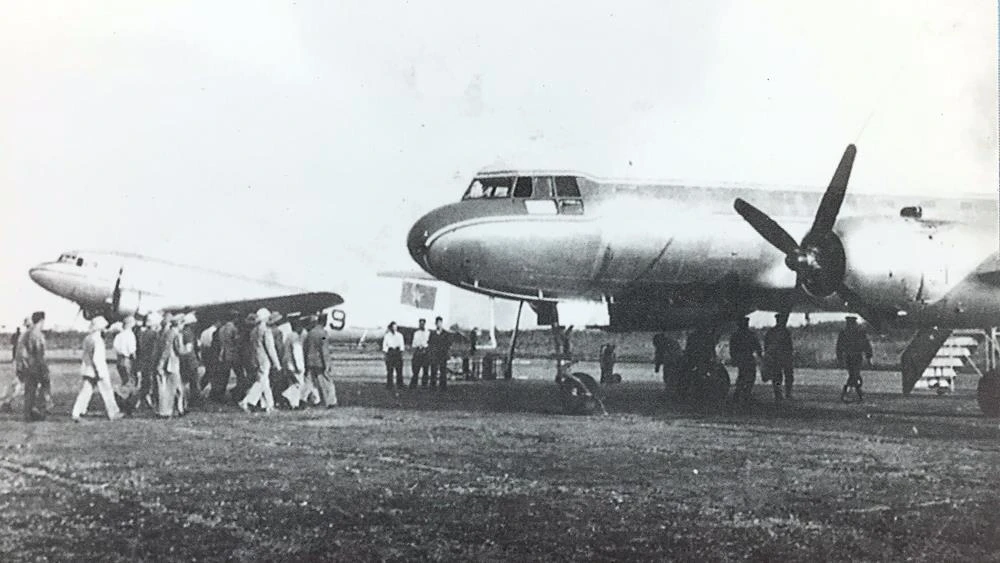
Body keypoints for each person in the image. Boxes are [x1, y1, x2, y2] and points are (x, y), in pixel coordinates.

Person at [71, 317, 123, 421]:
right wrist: (100, 372)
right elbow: (97, 358)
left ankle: (76, 412)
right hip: (98, 370)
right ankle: (113, 413)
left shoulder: (88, 338)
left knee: (85, 392)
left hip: (87, 369)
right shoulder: (98, 340)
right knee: (107, 391)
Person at [239, 308, 280, 413]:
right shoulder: (266, 330)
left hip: (255, 358)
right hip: (264, 359)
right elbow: (270, 348)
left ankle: (268, 405)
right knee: (261, 382)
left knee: (264, 382)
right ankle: (246, 401)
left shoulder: (254, 331)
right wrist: (277, 363)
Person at [155, 314, 186, 417]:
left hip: (169, 363)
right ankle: (166, 411)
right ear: (179, 324)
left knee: (176, 387)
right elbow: (174, 350)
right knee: (171, 388)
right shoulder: (176, 334)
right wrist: (187, 349)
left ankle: (179, 408)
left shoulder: (167, 333)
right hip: (172, 363)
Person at [303, 314, 337, 407]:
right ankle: (330, 402)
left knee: (308, 382)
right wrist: (327, 364)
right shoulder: (323, 334)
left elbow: (306, 347)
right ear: (324, 322)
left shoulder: (310, 333)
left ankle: (302, 398)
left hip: (310, 361)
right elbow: (324, 350)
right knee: (326, 382)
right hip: (319, 362)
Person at [21, 311, 49, 421]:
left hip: (29, 364)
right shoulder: (38, 334)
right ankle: (38, 411)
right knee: (43, 387)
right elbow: (39, 351)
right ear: (41, 320)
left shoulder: (28, 333)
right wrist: (43, 366)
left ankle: (28, 413)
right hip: (37, 364)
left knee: (30, 389)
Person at [837, 316, 872, 403]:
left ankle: (848, 393)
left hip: (854, 356)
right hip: (852, 357)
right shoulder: (856, 333)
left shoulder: (852, 333)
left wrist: (868, 357)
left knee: (854, 375)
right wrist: (868, 357)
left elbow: (866, 345)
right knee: (854, 375)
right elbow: (839, 347)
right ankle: (858, 394)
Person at [0, 317, 32, 412]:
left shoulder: (25, 336)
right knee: (22, 387)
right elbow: (23, 353)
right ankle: (6, 402)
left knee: (18, 385)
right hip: (25, 365)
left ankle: (5, 400)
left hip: (22, 364)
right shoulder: (27, 336)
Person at [728, 317, 761, 406]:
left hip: (741, 358)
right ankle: (746, 394)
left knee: (742, 376)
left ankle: (738, 394)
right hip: (748, 358)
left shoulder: (736, 335)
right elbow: (757, 346)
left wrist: (734, 358)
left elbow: (732, 348)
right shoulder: (750, 334)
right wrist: (760, 356)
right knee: (750, 377)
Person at [763, 312, 794, 401]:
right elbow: (789, 346)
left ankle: (781, 394)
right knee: (782, 376)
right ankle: (783, 394)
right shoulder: (784, 332)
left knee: (781, 376)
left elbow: (766, 345)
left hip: (779, 357)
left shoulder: (772, 332)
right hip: (780, 357)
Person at [210, 312, 240, 403]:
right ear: (234, 318)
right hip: (233, 354)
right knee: (240, 376)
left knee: (223, 376)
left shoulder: (221, 329)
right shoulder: (234, 329)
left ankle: (218, 395)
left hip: (222, 355)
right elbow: (236, 342)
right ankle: (237, 393)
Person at [135, 312, 163, 411]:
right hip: (151, 361)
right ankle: (152, 400)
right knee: (153, 381)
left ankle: (140, 400)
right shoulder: (155, 335)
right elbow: (155, 349)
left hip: (143, 360)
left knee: (144, 381)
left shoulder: (141, 334)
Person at [112, 315, 138, 414]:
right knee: (130, 382)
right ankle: (127, 405)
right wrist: (135, 360)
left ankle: (123, 402)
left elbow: (115, 348)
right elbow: (132, 350)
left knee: (125, 380)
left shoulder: (119, 335)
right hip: (128, 360)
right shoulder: (130, 335)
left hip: (119, 360)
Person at [280, 319, 306, 408]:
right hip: (294, 366)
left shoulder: (288, 336)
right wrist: (299, 366)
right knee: (299, 384)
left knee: (292, 383)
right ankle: (286, 395)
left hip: (287, 364)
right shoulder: (295, 338)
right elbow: (296, 353)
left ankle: (293, 404)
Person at [178, 313, 201, 407]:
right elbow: (188, 348)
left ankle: (186, 400)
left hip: (186, 360)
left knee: (187, 381)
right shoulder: (188, 333)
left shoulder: (183, 331)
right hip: (190, 360)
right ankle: (194, 401)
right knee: (194, 381)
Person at [427, 316, 451, 390]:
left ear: (442, 323)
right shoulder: (432, 333)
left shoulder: (446, 333)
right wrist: (431, 352)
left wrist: (445, 352)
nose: (439, 324)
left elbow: (448, 344)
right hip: (434, 354)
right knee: (433, 370)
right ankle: (433, 386)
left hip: (442, 355)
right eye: (437, 323)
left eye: (440, 323)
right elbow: (430, 343)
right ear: (435, 324)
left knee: (443, 370)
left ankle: (443, 386)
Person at [382, 321, 405, 389]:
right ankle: (389, 384)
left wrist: (401, 353)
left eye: (395, 327)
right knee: (390, 370)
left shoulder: (400, 335)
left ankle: (400, 384)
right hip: (390, 352)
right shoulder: (387, 336)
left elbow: (402, 345)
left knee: (399, 370)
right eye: (393, 327)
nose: (394, 329)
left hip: (397, 352)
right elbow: (385, 345)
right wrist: (385, 354)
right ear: (390, 328)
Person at [409, 318, 429, 388]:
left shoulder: (428, 333)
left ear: (425, 324)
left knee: (425, 369)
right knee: (416, 369)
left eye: (423, 323)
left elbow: (428, 343)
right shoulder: (416, 333)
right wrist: (416, 349)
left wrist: (425, 348)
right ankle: (414, 384)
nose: (421, 325)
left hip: (425, 352)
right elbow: (414, 343)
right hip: (418, 351)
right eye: (420, 323)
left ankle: (424, 384)